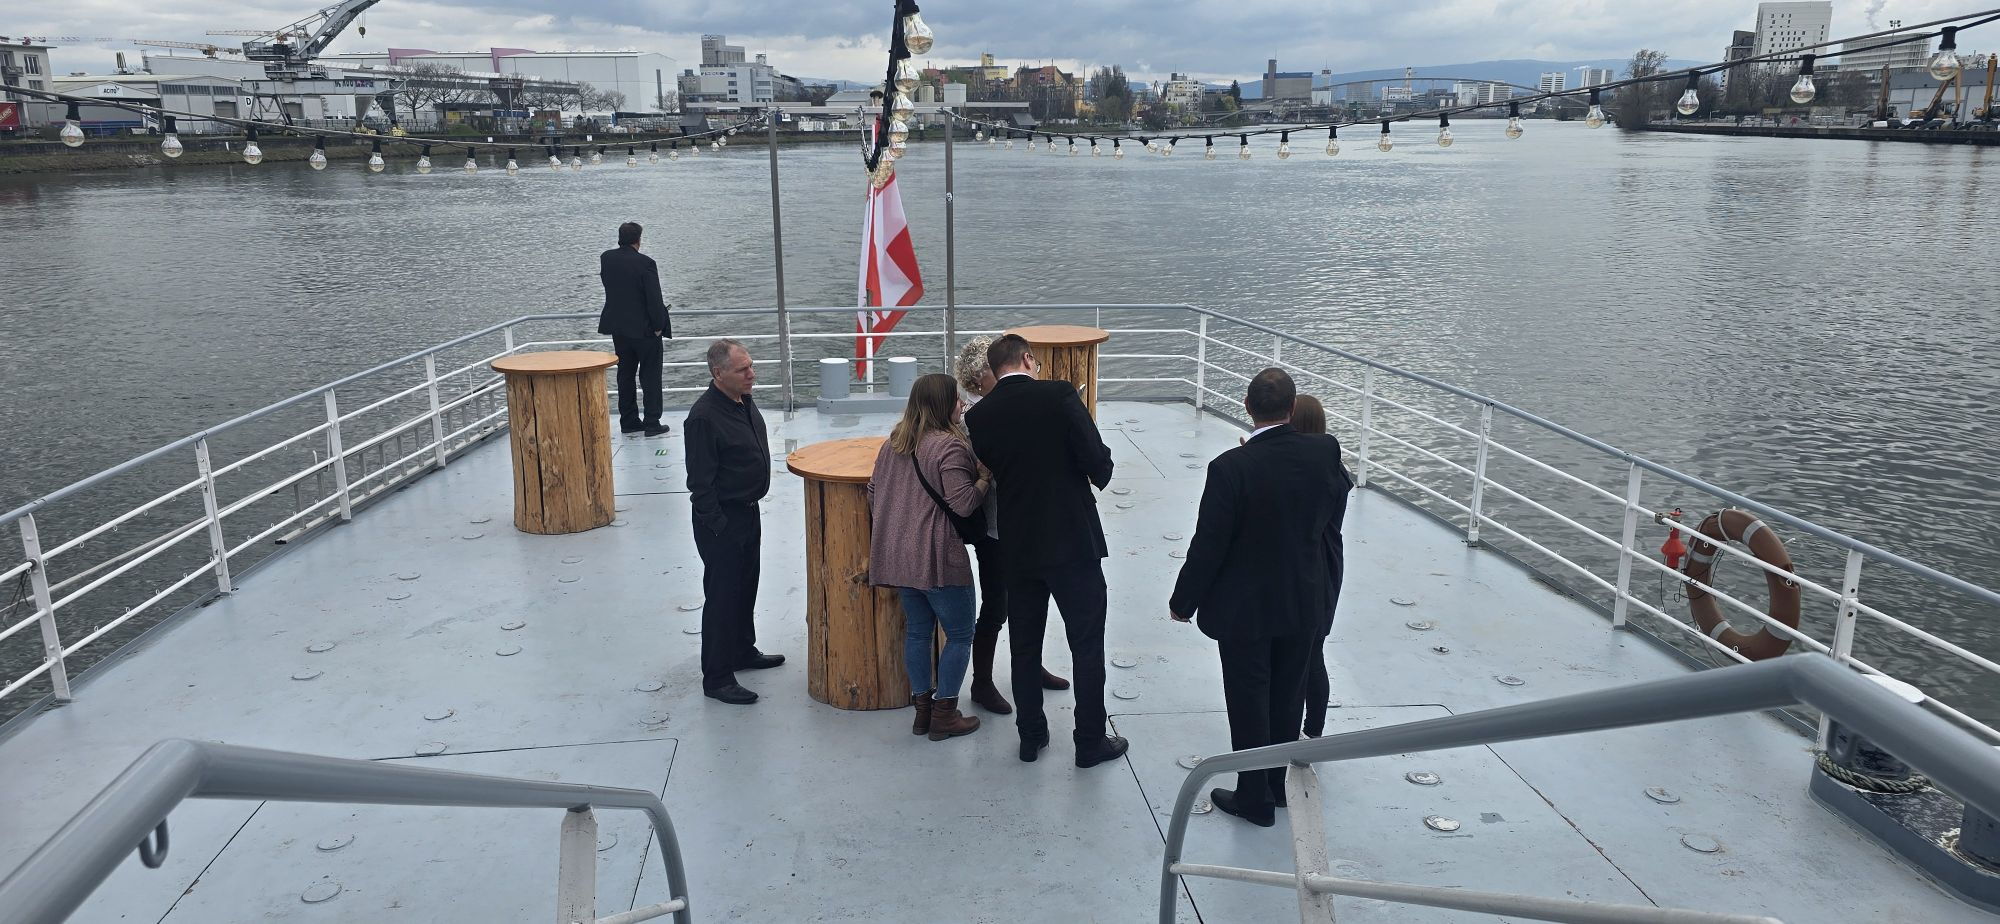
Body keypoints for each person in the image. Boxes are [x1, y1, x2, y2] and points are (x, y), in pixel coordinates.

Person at [1168, 369, 1350, 827]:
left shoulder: (1230, 468)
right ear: (1293, 408)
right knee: (1288, 697)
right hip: (1303, 599)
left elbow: (1209, 544)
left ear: (1247, 408)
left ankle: (1254, 799)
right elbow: (1332, 507)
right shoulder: (1324, 451)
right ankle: (1277, 786)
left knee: (1249, 700)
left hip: (1245, 609)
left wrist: (1183, 601)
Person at [965, 334, 1126, 768]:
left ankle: (1030, 737)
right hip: (1072, 541)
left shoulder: (979, 417)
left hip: (1018, 545)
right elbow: (1099, 466)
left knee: (1024, 646)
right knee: (1086, 645)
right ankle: (1089, 742)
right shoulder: (1059, 395)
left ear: (995, 368)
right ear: (1028, 359)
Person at [953, 336, 1069, 716]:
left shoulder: (1002, 408)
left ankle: (1030, 665)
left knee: (1031, 600)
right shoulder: (974, 419)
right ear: (978, 378)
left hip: (1023, 521)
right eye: (992, 369)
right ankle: (982, 683)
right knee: (996, 606)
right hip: (996, 528)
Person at [868, 373, 986, 741]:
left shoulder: (893, 444)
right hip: (937, 558)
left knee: (918, 632)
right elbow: (963, 504)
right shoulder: (949, 447)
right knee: (961, 634)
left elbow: (872, 493)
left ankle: (922, 713)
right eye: (956, 399)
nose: (961, 405)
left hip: (898, 559)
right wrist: (984, 478)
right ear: (942, 405)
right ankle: (945, 715)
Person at [685, 339, 783, 705]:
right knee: (723, 598)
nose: (752, 374)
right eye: (743, 370)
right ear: (718, 373)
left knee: (745, 587)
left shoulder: (743, 400)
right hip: (723, 520)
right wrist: (719, 527)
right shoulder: (703, 417)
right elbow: (700, 483)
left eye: (751, 366)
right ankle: (717, 678)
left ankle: (742, 650)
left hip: (747, 512)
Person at [1287, 394, 1346, 739]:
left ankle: (1308, 729)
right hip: (1329, 565)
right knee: (1314, 651)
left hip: (1313, 568)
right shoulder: (1334, 470)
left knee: (1308, 657)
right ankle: (1314, 729)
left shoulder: (1314, 476)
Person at [598, 221, 672, 436]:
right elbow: (654, 298)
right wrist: (658, 326)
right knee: (650, 376)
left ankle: (629, 421)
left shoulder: (607, 258)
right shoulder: (646, 263)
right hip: (645, 330)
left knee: (625, 374)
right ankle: (652, 422)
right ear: (638, 239)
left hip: (619, 329)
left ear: (620, 238)